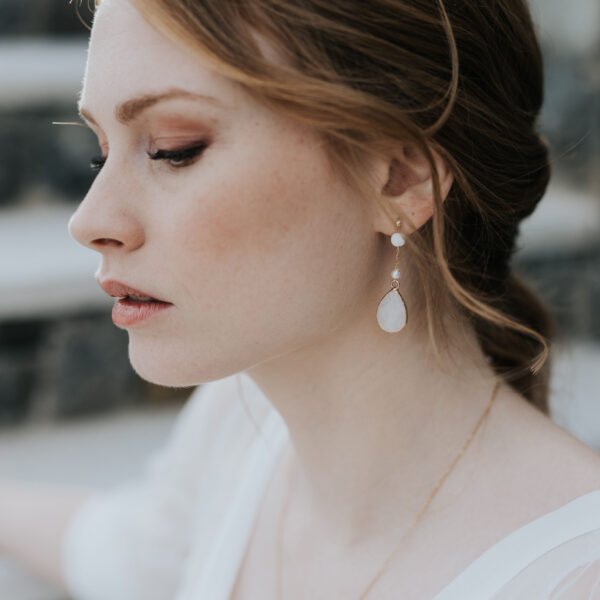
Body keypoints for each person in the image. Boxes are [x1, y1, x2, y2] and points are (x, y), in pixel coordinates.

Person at [2, 0, 600, 598]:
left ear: (400, 178)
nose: (89, 220)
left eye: (173, 148)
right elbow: (124, 553)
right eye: (99, 152)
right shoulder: (243, 425)